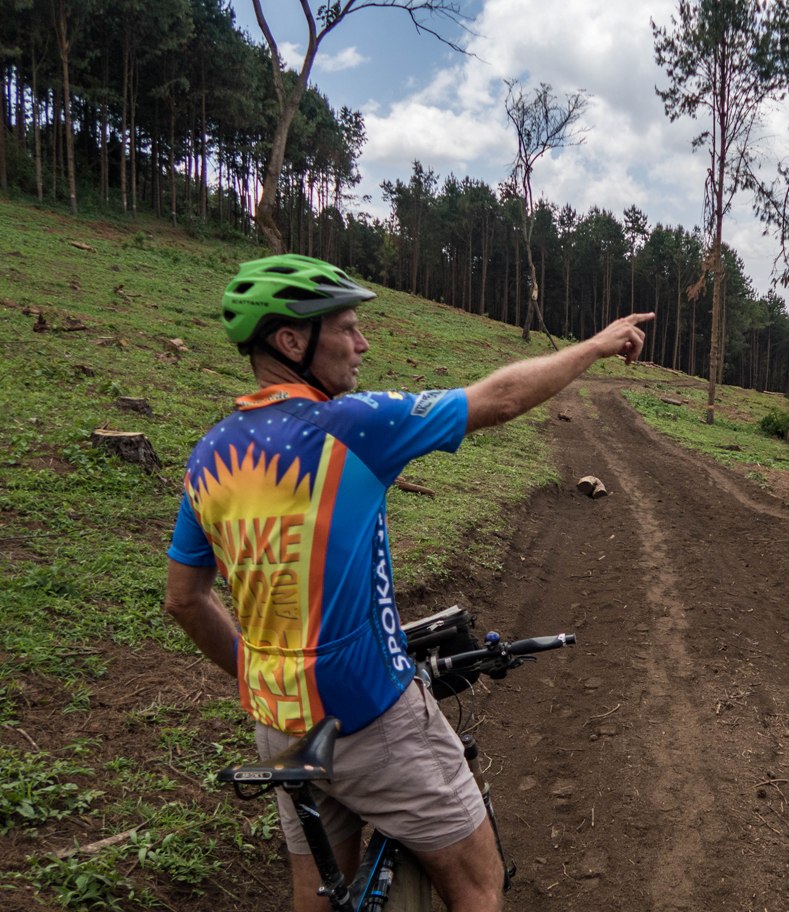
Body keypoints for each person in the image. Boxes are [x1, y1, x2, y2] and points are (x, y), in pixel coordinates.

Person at [164, 253, 652, 912]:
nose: (362, 343)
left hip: (277, 725)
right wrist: (595, 345)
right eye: (346, 328)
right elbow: (499, 399)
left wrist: (260, 677)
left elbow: (185, 599)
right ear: (292, 341)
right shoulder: (350, 426)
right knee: (478, 883)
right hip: (370, 715)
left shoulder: (209, 455)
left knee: (318, 898)